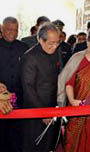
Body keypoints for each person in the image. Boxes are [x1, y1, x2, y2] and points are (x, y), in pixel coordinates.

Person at [21, 22, 61, 152]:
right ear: (40, 39)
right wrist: (42, 112)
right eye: (51, 43)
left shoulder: (56, 52)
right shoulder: (30, 57)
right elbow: (28, 88)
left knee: (48, 144)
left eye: (57, 42)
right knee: (34, 145)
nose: (54, 46)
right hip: (35, 109)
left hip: (51, 106)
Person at [0, 16, 28, 152]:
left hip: (20, 101)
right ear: (1, 29)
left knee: (16, 138)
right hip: (0, 99)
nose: (12, 32)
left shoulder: (24, 48)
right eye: (9, 29)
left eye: (15, 30)